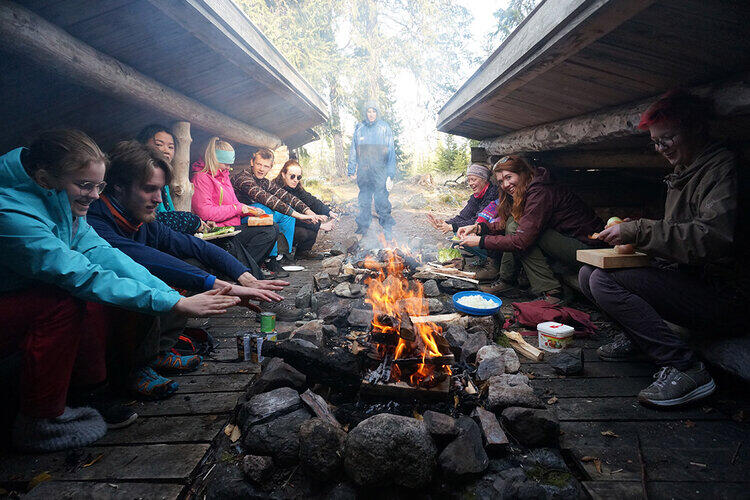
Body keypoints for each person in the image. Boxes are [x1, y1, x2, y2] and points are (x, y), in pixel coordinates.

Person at [0, 130, 239, 452]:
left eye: (98, 186)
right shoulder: (11, 213)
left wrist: (176, 297)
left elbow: (105, 255)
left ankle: (94, 393)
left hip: (29, 295)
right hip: (16, 301)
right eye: (85, 185)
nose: (94, 196)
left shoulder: (59, 200)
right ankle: (41, 420)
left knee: (110, 290)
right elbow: (76, 272)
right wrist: (174, 301)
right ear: (44, 178)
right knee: (66, 301)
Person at [579, 90, 745, 408]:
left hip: (727, 297)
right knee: (588, 274)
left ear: (696, 128)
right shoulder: (685, 172)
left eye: (667, 138)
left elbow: (710, 238)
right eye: (655, 142)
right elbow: (676, 231)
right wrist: (636, 229)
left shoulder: (722, 170)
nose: (660, 148)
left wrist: (640, 231)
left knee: (603, 280)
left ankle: (686, 368)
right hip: (694, 283)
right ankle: (641, 337)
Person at [87, 140, 288, 396]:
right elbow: (138, 258)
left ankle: (159, 353)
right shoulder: (95, 219)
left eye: (160, 190)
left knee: (191, 262)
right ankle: (131, 371)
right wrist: (224, 287)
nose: (158, 199)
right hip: (97, 308)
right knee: (151, 279)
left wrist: (245, 277)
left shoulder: (141, 218)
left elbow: (193, 245)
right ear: (118, 187)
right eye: (149, 189)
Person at [459, 156, 602, 303]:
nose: (506, 185)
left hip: (588, 249)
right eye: (501, 181)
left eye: (509, 177)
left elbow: (521, 240)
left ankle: (552, 292)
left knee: (520, 232)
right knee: (514, 224)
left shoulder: (541, 191)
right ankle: (507, 281)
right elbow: (510, 225)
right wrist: (478, 228)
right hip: (568, 244)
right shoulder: (527, 190)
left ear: (523, 173)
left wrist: (481, 241)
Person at [191, 138, 280, 277]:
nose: (228, 168)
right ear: (213, 159)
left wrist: (250, 211)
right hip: (217, 231)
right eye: (225, 164)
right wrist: (238, 208)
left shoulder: (224, 177)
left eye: (230, 164)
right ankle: (242, 272)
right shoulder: (201, 178)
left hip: (232, 228)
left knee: (273, 227)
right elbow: (205, 212)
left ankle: (242, 270)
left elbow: (235, 204)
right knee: (267, 231)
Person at [232, 148, 325, 268]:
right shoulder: (243, 178)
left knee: (286, 214)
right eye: (258, 164)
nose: (261, 169)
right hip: (238, 218)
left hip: (254, 215)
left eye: (265, 166)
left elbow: (285, 196)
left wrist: (309, 212)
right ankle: (270, 259)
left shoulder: (264, 182)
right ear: (252, 162)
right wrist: (299, 215)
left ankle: (283, 255)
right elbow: (267, 199)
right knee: (265, 209)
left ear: (270, 167)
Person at [136, 124, 215, 235]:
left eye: (171, 147)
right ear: (143, 145)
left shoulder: (165, 182)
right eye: (159, 144)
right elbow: (153, 220)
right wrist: (191, 221)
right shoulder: (138, 174)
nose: (166, 150)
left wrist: (201, 223)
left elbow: (170, 214)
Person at [426, 162, 499, 277]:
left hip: (496, 235)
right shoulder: (476, 196)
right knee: (458, 234)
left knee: (460, 233)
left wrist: (453, 227)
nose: (470, 183)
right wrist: (445, 223)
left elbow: (477, 221)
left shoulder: (493, 194)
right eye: (469, 180)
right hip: (484, 233)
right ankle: (484, 258)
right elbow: (463, 216)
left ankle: (494, 263)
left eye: (473, 179)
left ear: (484, 179)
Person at [347, 100, 396, 240]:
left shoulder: (384, 128)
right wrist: (351, 169)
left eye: (374, 111)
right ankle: (363, 230)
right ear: (365, 112)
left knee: (382, 201)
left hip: (380, 171)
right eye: (369, 111)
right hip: (364, 171)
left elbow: (391, 151)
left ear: (377, 113)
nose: (371, 114)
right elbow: (353, 150)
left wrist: (390, 174)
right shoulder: (359, 128)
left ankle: (387, 231)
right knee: (364, 200)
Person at [272, 159, 338, 259]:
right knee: (304, 231)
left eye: (298, 177)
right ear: (283, 174)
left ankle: (303, 252)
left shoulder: (297, 188)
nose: (295, 180)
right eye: (292, 176)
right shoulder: (275, 189)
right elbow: (290, 216)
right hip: (279, 227)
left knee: (312, 223)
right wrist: (321, 225)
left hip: (293, 222)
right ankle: (282, 253)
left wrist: (329, 212)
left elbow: (312, 200)